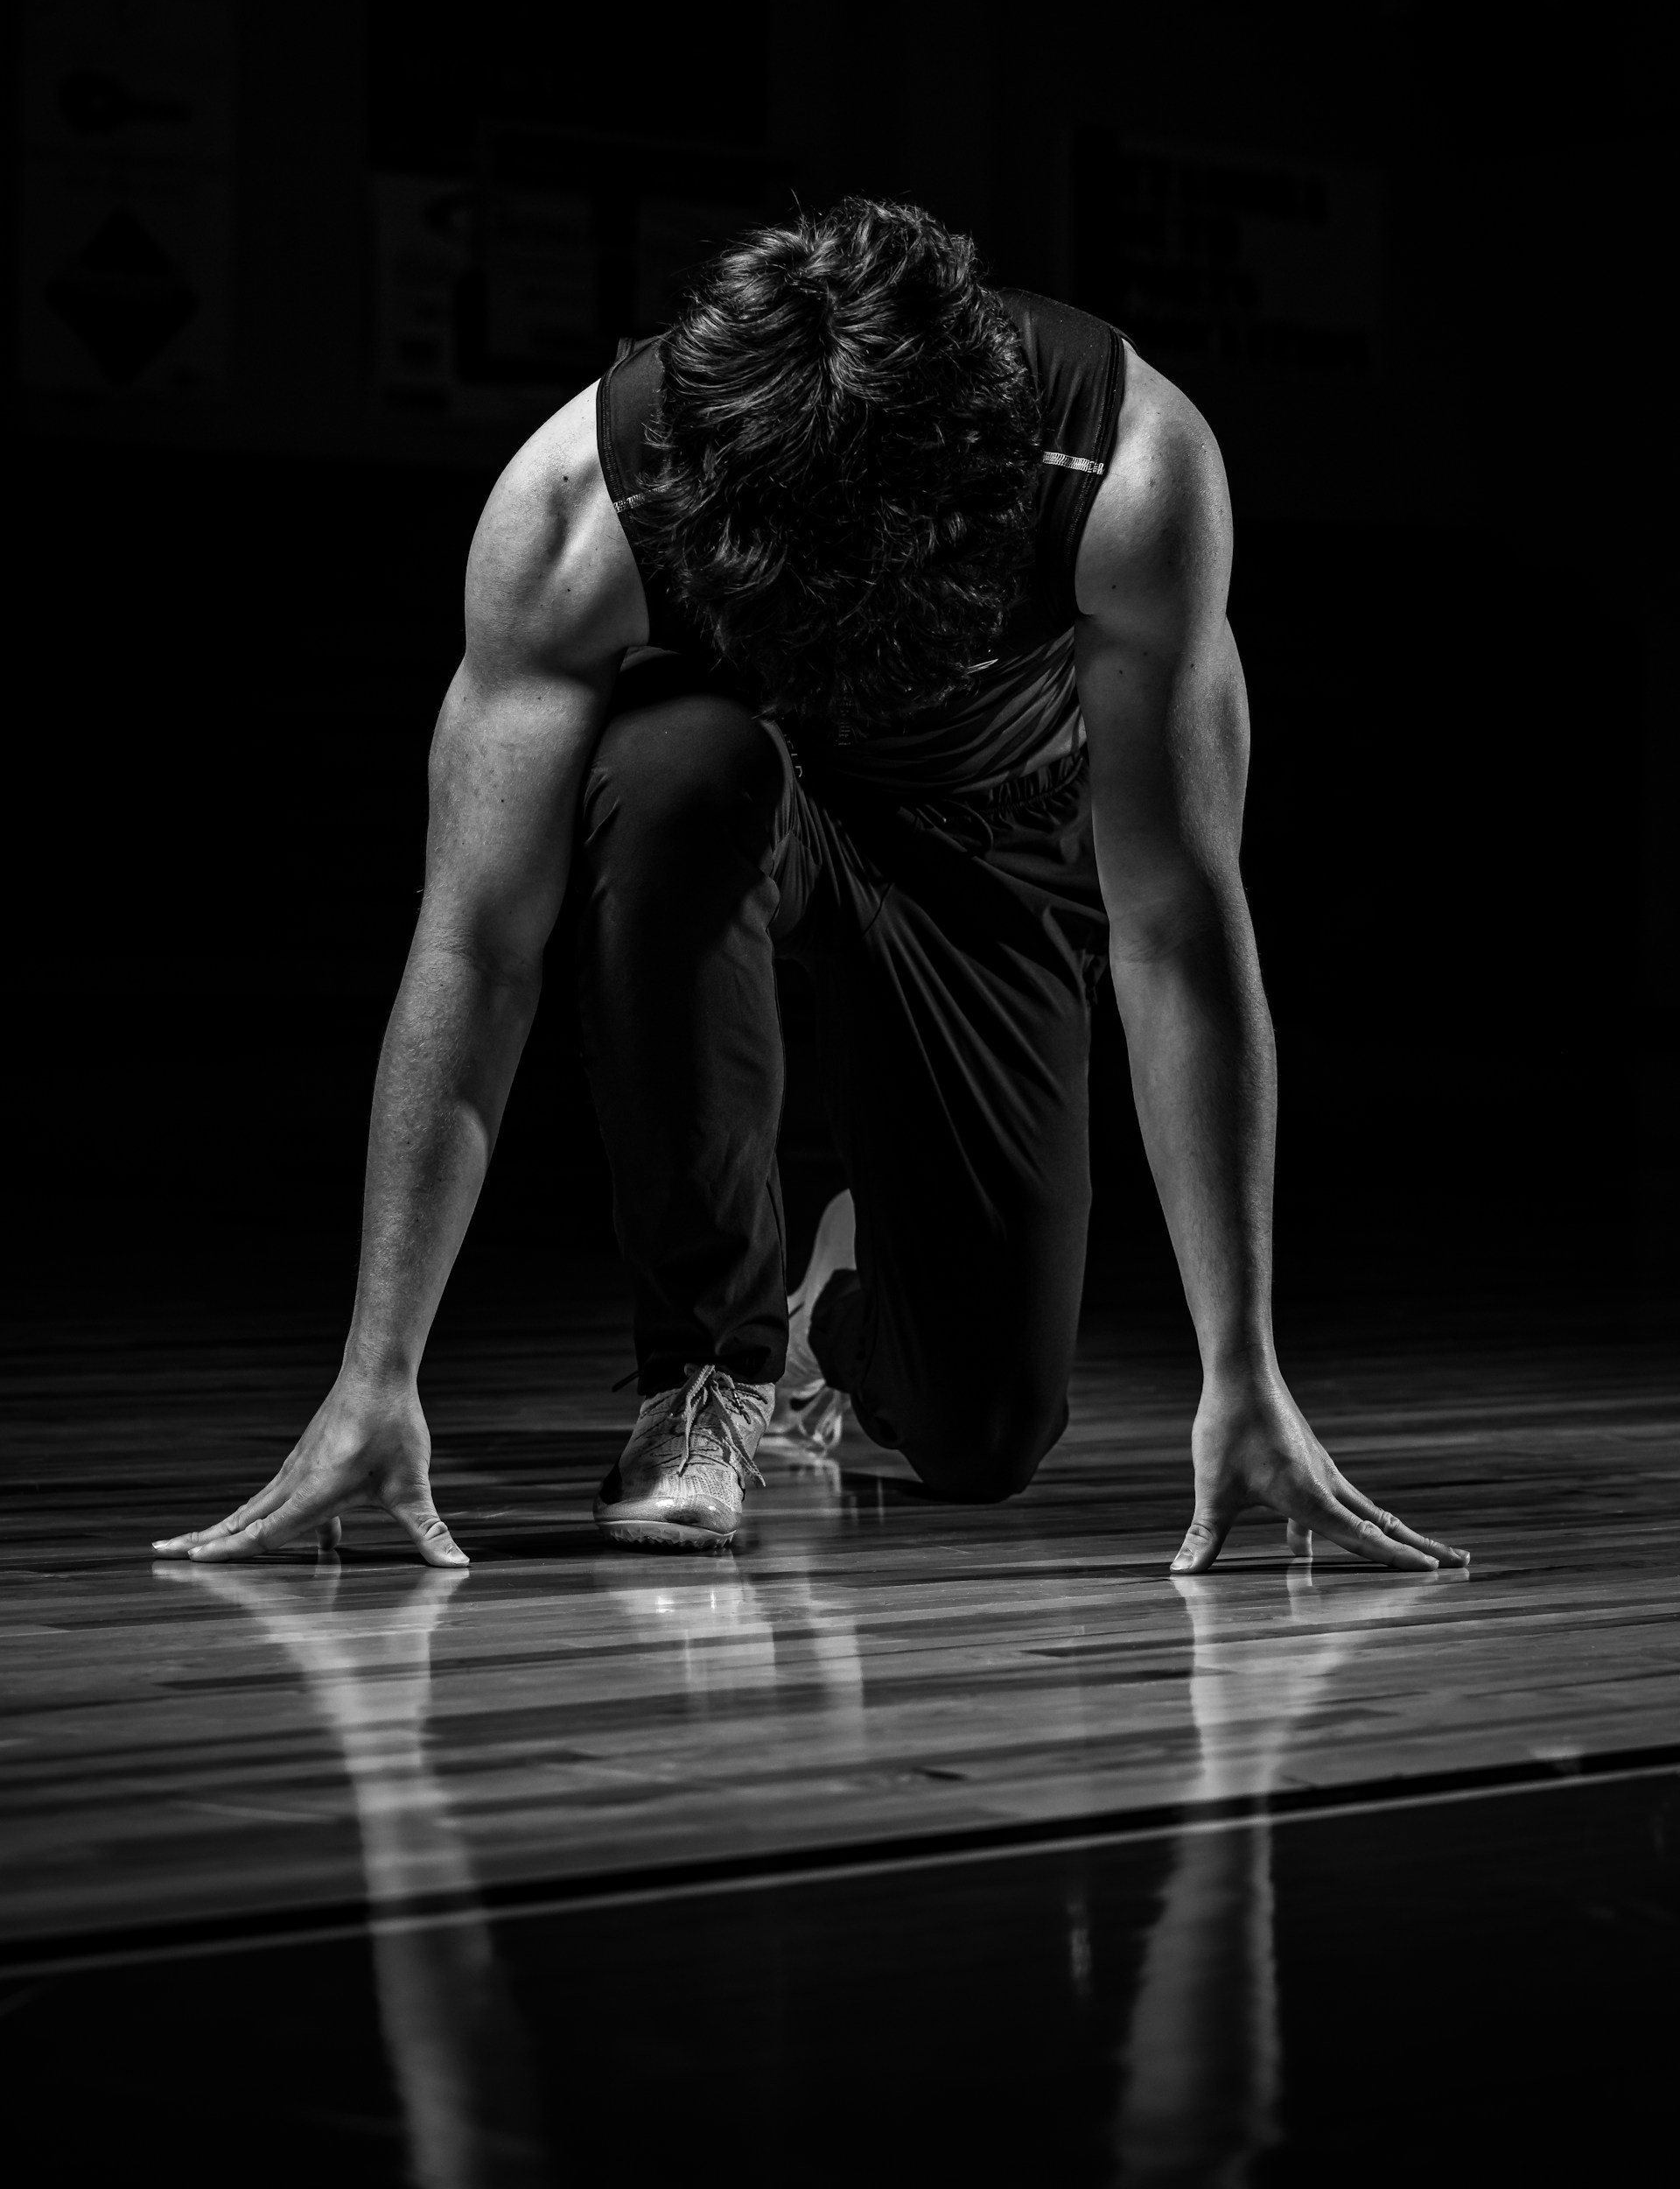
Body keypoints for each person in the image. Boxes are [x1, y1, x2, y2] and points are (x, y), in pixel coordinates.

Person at [155, 200, 1466, 1575]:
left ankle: (831, 1305)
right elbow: (478, 946)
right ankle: (707, 1374)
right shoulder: (578, 505)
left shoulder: (1131, 467)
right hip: (736, 795)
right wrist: (376, 1373)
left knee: (985, 1436)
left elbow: (1176, 928)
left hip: (990, 838)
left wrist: (1244, 1369)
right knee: (672, 777)